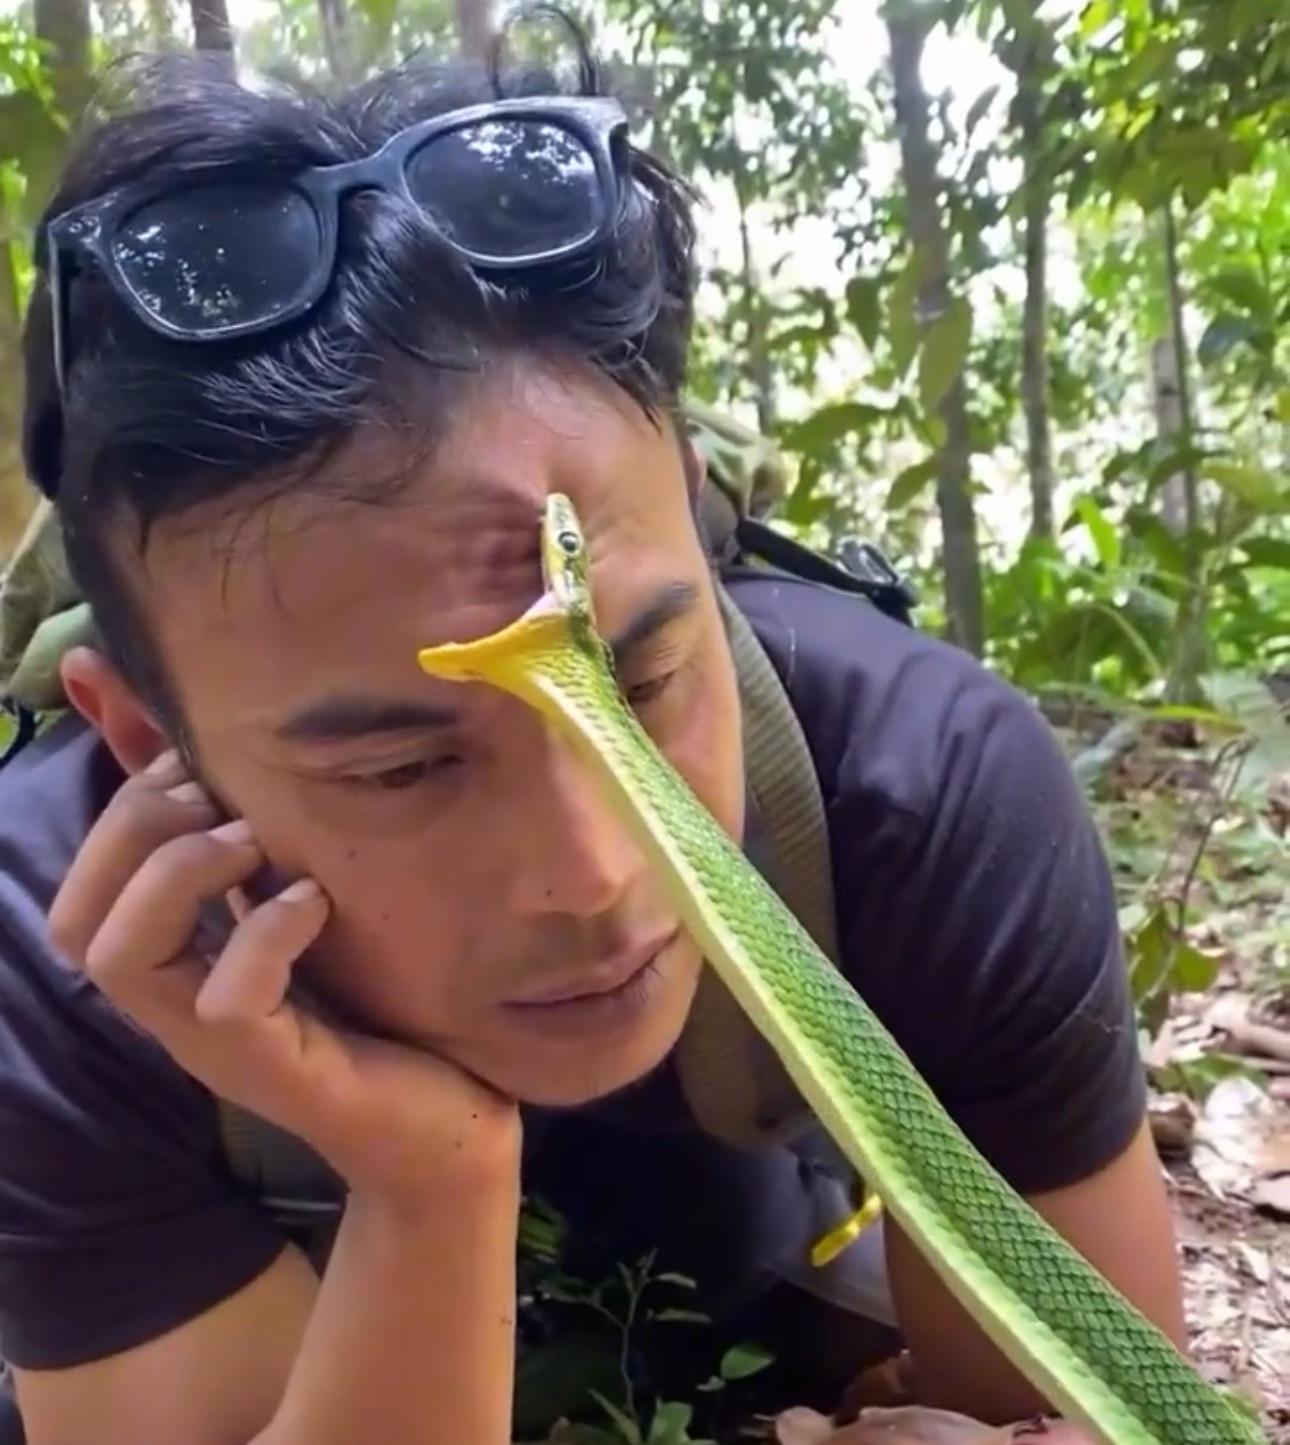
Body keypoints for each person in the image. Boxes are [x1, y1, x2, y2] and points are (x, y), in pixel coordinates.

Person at [0, 23, 1187, 1445]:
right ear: (145, 741)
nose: (594, 873)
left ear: (692, 522)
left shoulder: (916, 793)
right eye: (404, 763)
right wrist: (429, 1188)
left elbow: (1065, 1411)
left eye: (640, 682)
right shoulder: (52, 952)